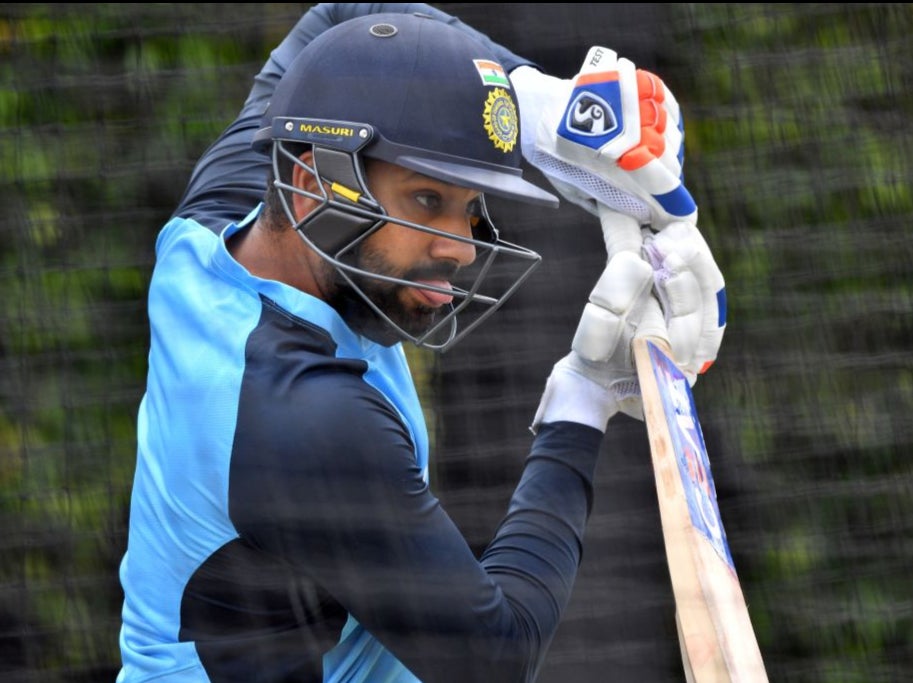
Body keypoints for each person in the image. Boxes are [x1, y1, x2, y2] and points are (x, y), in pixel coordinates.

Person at [117, 4, 727, 682]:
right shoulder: (304, 417)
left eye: (469, 207)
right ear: (311, 181)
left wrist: (536, 103)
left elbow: (344, 17)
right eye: (425, 200)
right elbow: (496, 655)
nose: (458, 249)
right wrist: (580, 404)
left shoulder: (219, 225)